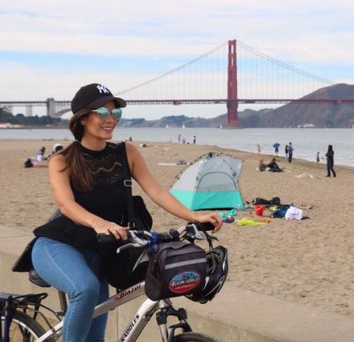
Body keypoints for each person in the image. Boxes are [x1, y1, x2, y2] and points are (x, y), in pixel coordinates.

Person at [30, 83, 222, 342]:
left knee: (95, 337)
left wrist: (195, 217)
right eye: (103, 113)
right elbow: (67, 205)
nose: (111, 120)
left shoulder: (127, 152)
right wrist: (98, 223)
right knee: (84, 290)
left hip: (100, 253)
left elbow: (158, 191)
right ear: (83, 118)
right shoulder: (62, 160)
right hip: (57, 246)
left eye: (115, 114)